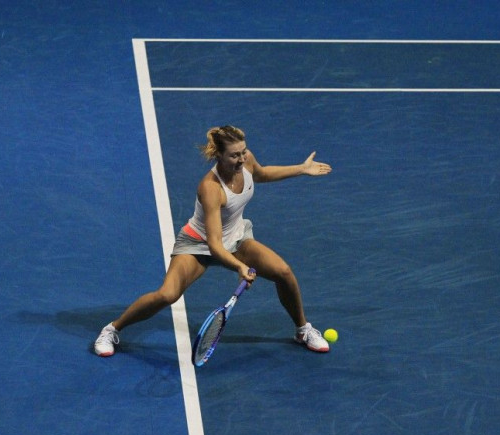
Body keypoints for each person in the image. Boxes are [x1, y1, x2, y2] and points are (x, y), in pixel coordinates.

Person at [95, 125, 332, 357]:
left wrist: (301, 168)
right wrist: (240, 266)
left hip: (236, 237)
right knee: (167, 295)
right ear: (218, 155)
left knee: (283, 272)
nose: (241, 159)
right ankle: (111, 329)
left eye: (243, 152)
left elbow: (260, 173)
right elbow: (215, 246)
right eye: (234, 155)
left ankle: (303, 330)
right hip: (199, 244)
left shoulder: (246, 159)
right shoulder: (211, 188)